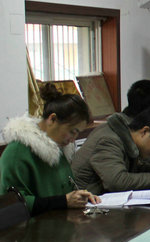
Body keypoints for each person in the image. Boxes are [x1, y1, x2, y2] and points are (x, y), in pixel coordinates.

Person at [0, 85, 100, 214]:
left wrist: (80, 198)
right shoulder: (17, 152)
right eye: (72, 131)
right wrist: (63, 201)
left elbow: (66, 192)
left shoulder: (59, 149)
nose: (73, 139)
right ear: (52, 119)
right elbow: (13, 203)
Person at [72, 108, 150, 194]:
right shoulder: (109, 140)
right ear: (145, 131)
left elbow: (141, 165)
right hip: (83, 205)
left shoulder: (128, 139)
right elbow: (115, 181)